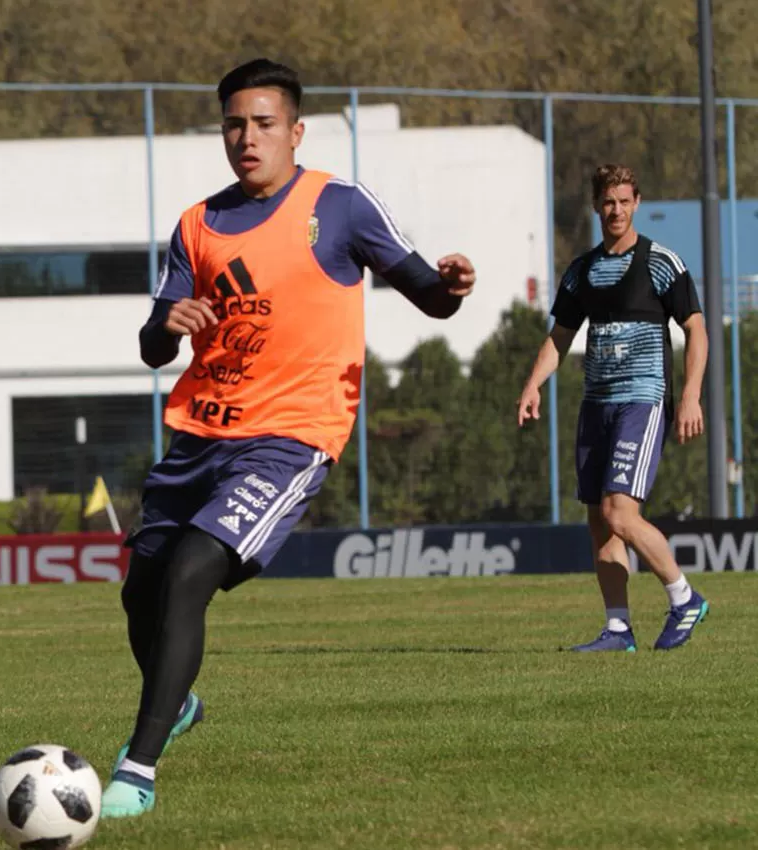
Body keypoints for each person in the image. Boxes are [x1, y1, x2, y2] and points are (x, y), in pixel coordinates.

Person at [106, 58, 477, 818]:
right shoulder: (195, 225)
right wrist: (162, 324)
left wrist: (452, 286)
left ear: (295, 131)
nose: (248, 138)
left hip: (293, 436)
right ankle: (175, 704)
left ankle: (136, 769)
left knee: (190, 575)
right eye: (234, 125)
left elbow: (425, 294)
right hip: (198, 437)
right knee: (142, 596)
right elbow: (152, 346)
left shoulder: (337, 205)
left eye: (264, 124)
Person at [516, 163, 709, 653]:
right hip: (595, 405)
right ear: (597, 206)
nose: (616, 210)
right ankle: (618, 629)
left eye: (625, 201)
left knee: (620, 512)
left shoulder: (661, 262)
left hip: (641, 401)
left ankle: (683, 597)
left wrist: (689, 395)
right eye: (608, 202)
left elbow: (697, 328)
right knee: (601, 522)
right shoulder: (583, 271)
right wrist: (533, 385)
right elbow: (559, 337)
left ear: (637, 203)